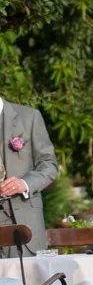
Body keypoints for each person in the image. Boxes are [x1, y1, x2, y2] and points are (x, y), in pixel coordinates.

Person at [0, 96, 59, 258]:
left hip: (23, 221)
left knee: (27, 283)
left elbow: (49, 165)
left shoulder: (29, 116)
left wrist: (25, 183)